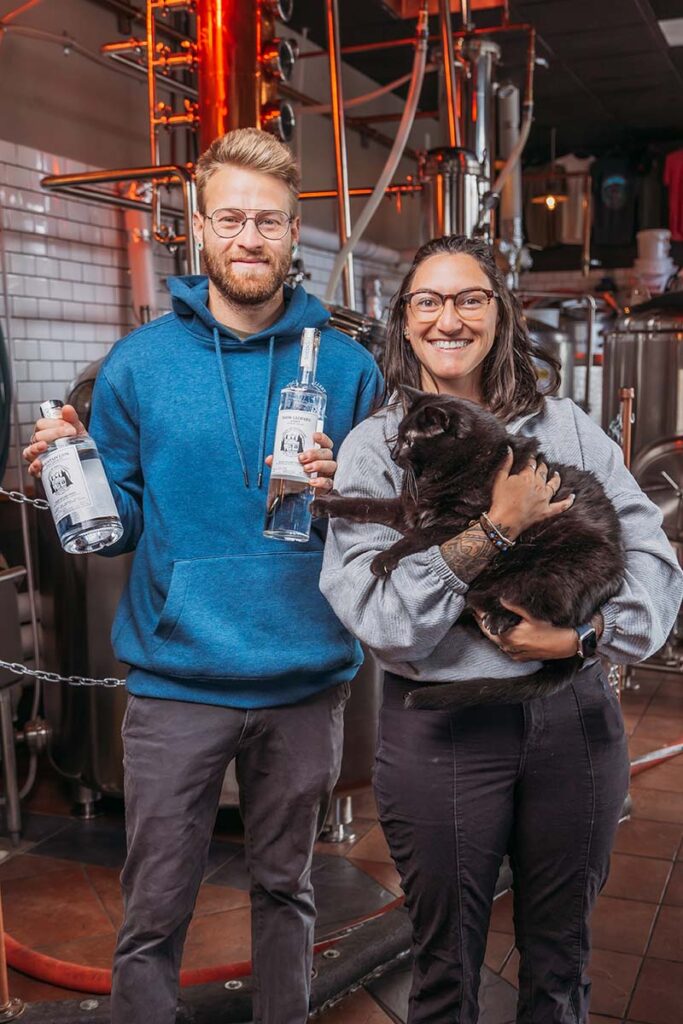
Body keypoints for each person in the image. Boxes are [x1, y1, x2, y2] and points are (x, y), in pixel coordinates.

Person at [24, 128, 383, 1024]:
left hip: (305, 679)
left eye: (268, 221)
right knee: (153, 908)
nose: (249, 237)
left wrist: (355, 495)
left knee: (286, 890)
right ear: (197, 227)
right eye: (230, 217)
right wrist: (71, 473)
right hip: (175, 684)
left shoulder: (347, 367)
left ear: (296, 233)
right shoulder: (139, 362)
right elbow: (114, 530)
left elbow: (382, 523)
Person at [319, 234, 683, 1023]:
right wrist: (491, 531)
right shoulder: (377, 450)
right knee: (444, 971)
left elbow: (653, 561)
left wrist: (584, 639)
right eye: (428, 301)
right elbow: (382, 620)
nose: (448, 319)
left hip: (573, 724)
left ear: (499, 314)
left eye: (469, 299)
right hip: (442, 733)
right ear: (404, 322)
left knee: (559, 963)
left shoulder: (568, 429)